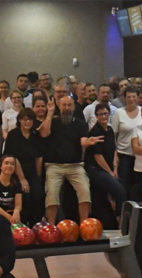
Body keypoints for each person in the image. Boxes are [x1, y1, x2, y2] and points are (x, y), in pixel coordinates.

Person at [39, 93, 100, 223]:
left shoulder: (80, 124)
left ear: (74, 107)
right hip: (54, 166)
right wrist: (49, 113)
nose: (66, 108)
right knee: (51, 194)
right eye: (64, 105)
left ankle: (85, 225)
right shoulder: (53, 121)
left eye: (69, 105)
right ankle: (50, 227)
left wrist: (88, 142)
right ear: (58, 106)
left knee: (84, 191)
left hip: (75, 166)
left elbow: (83, 141)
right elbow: (44, 134)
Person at [3, 109, 44, 224]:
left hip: (32, 171)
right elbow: (13, 158)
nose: (27, 122)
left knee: (38, 194)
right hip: (16, 172)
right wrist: (22, 179)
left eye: (30, 119)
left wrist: (38, 176)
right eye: (25, 119)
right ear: (20, 120)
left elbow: (39, 157)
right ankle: (23, 224)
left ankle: (36, 224)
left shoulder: (36, 135)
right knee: (25, 195)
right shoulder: (13, 135)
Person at [85, 103, 126, 218]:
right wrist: (110, 173)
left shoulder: (110, 129)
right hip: (96, 169)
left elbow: (114, 150)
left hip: (108, 168)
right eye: (100, 114)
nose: (103, 116)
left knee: (124, 186)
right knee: (119, 191)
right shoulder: (95, 132)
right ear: (96, 116)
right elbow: (98, 157)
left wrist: (115, 168)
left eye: (105, 114)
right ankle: (120, 218)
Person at [112, 87, 142, 187]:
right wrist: (115, 156)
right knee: (124, 185)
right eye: (128, 97)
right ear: (124, 98)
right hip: (123, 155)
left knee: (139, 185)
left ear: (138, 98)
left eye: (134, 96)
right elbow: (113, 136)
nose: (131, 99)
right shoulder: (119, 113)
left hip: (141, 155)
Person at [0, 155, 22, 224]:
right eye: (6, 163)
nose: (9, 166)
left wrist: (16, 212)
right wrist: (9, 218)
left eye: (12, 164)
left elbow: (18, 205)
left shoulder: (17, 183)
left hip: (12, 216)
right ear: (1, 166)